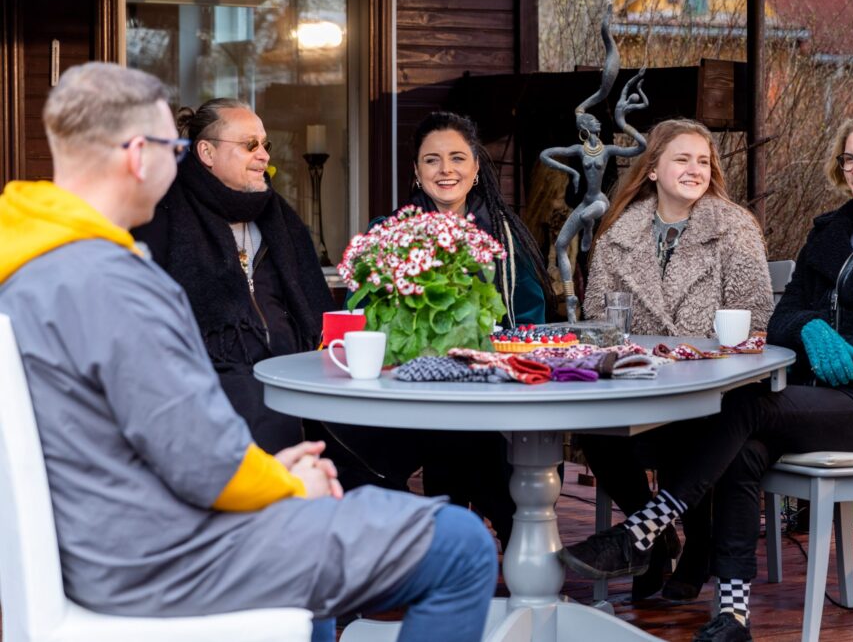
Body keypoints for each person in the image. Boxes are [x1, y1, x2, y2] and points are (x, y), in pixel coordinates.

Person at [0, 62, 496, 642]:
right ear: (139, 154)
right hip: (167, 558)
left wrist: (267, 473)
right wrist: (289, 486)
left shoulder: (26, 268)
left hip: (102, 545)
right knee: (462, 546)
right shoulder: (119, 284)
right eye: (174, 145)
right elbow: (200, 462)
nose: (177, 160)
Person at [561, 106, 853, 642]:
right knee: (744, 448)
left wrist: (833, 349)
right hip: (809, 396)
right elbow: (785, 317)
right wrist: (815, 329)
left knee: (743, 407)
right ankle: (733, 615)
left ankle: (642, 530)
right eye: (851, 159)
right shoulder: (832, 232)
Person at [328, 111, 552, 549]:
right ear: (416, 171)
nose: (445, 170)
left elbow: (530, 319)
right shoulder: (388, 235)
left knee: (477, 453)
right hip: (408, 397)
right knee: (352, 448)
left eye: (457, 158)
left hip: (491, 395)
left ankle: (462, 556)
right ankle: (440, 553)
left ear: (475, 169)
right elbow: (362, 310)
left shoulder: (507, 235)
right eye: (432, 160)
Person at [578, 118, 773, 601]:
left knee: (691, 432)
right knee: (594, 434)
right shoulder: (618, 233)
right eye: (682, 159)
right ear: (651, 170)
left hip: (712, 389)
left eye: (703, 161)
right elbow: (597, 318)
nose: (695, 169)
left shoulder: (733, 227)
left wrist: (696, 351)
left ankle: (697, 546)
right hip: (642, 384)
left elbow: (755, 314)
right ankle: (657, 534)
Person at [131, 98, 337, 456]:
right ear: (207, 153)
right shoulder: (164, 218)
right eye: (249, 145)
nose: (264, 156)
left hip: (294, 373)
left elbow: (314, 313)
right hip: (211, 385)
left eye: (265, 145)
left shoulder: (281, 220)